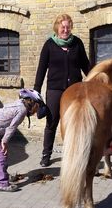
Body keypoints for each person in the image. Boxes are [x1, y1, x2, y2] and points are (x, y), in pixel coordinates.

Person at [33, 13, 90, 167]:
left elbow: (86, 65)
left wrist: (95, 79)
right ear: (57, 27)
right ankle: (46, 154)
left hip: (75, 89)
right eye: (62, 27)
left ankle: (76, 153)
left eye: (68, 27)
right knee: (51, 122)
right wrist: (36, 92)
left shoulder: (77, 43)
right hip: (55, 90)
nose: (65, 30)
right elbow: (41, 69)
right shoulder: (49, 45)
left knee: (76, 123)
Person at [0, 89, 44, 192]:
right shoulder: (22, 110)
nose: (36, 111)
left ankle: (4, 176)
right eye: (37, 107)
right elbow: (12, 127)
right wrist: (4, 141)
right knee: (1, 155)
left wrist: (4, 141)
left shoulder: (20, 103)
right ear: (32, 103)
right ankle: (2, 184)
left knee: (3, 154)